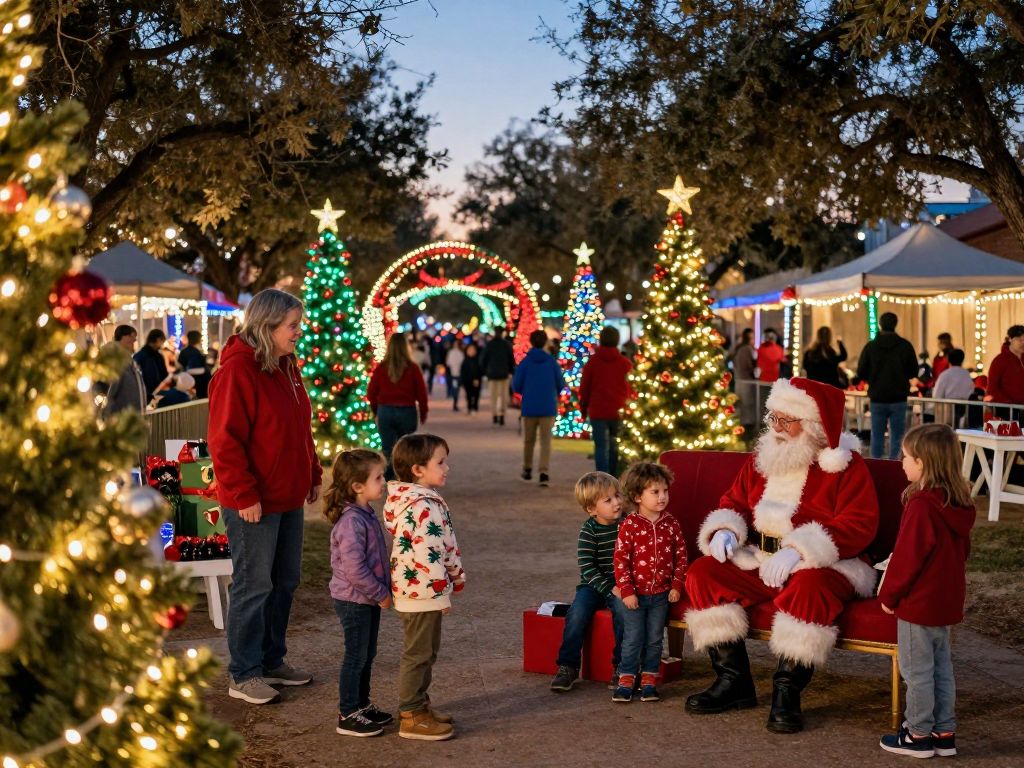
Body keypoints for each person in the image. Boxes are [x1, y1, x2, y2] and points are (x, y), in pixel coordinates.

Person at [684, 377, 879, 733]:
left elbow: (858, 524)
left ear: (814, 426)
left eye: (786, 420)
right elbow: (735, 501)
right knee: (703, 574)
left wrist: (797, 551)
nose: (775, 427)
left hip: (824, 563)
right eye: (773, 417)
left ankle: (787, 693)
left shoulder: (845, 467)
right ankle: (733, 681)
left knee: (811, 589)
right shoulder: (763, 458)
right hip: (759, 557)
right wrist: (726, 530)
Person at [208, 288, 322, 705]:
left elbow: (299, 428)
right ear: (267, 325)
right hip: (253, 501)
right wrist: (243, 493)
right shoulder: (238, 370)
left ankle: (272, 660)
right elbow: (225, 440)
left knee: (284, 582)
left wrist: (312, 472)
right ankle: (244, 672)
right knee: (254, 584)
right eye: (292, 325)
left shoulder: (287, 366)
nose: (298, 332)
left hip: (287, 496)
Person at [878, 424, 974, 758]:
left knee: (917, 671)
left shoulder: (921, 505)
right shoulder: (957, 503)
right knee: (941, 669)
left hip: (918, 604)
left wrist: (889, 596)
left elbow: (907, 559)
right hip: (945, 601)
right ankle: (944, 732)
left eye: (906, 456)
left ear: (922, 463)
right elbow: (963, 553)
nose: (901, 462)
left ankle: (918, 734)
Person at [383, 434, 465, 741]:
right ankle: (411, 715)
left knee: (427, 652)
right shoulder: (422, 507)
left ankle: (420, 705)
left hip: (421, 590)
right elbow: (428, 553)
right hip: (422, 592)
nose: (447, 468)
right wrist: (443, 589)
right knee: (418, 654)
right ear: (417, 470)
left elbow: (445, 545)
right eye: (440, 462)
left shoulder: (422, 500)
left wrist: (455, 575)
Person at [325, 448, 394, 738]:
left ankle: (362, 705)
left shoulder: (365, 513)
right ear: (357, 486)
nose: (384, 482)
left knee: (367, 653)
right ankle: (348, 712)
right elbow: (355, 570)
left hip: (366, 598)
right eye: (378, 478)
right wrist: (381, 593)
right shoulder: (351, 522)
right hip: (354, 600)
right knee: (356, 655)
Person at [612, 462, 686, 703]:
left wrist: (676, 585)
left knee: (655, 639)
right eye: (655, 492)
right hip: (635, 595)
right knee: (633, 638)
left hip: (661, 595)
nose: (662, 497)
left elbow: (681, 556)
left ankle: (649, 680)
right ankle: (626, 678)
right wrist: (626, 591)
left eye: (665, 491)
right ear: (637, 496)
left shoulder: (671, 524)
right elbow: (620, 560)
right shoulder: (629, 526)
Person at [550, 471, 626, 693]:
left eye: (617, 496)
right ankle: (568, 666)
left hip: (622, 583)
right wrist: (609, 588)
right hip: (593, 585)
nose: (617, 503)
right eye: (608, 500)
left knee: (624, 612)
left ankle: (623, 666)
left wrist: (623, 586)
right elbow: (587, 567)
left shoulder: (628, 524)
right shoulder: (589, 530)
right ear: (592, 509)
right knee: (577, 613)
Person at [366, 333, 429, 480]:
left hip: (386, 411)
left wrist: (376, 410)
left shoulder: (382, 368)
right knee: (407, 449)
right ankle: (405, 478)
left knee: (387, 449)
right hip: (407, 411)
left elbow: (371, 392)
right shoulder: (413, 368)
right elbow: (421, 393)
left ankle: (388, 480)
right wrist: (423, 412)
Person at [856, 312, 918, 459]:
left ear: (880, 324)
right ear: (895, 324)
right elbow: (913, 371)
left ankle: (876, 466)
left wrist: (873, 376)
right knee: (898, 437)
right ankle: (895, 465)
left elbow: (861, 372)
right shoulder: (905, 346)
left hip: (877, 397)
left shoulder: (871, 347)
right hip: (899, 397)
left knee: (876, 436)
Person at [512, 329, 566, 487]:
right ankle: (543, 472)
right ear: (545, 342)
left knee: (529, 440)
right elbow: (560, 383)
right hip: (548, 406)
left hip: (529, 406)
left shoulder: (525, 362)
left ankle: (527, 468)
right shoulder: (552, 362)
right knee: (545, 441)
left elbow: (516, 385)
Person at [579, 326, 633, 476]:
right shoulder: (625, 363)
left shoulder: (592, 362)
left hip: (597, 410)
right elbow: (631, 387)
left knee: (600, 446)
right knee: (615, 446)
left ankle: (602, 477)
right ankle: (614, 475)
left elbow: (585, 388)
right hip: (618, 409)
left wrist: (583, 408)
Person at [100, 324, 146, 419]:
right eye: (131, 336)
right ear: (123, 337)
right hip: (121, 419)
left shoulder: (129, 361)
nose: (134, 340)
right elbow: (109, 391)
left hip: (131, 418)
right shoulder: (116, 361)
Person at [481, 326, 516, 426]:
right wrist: (511, 371)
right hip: (504, 374)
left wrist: (485, 371)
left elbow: (483, 359)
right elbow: (511, 359)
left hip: (492, 374)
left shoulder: (490, 344)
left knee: (493, 396)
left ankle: (495, 414)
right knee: (503, 396)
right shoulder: (506, 344)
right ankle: (502, 414)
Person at [932, 349, 974, 426]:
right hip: (964, 410)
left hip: (947, 412)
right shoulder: (966, 374)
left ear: (948, 360)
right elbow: (971, 392)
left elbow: (937, 395)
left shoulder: (944, 375)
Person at [985, 324, 1024, 407]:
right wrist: (1008, 404)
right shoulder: (999, 361)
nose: (1023, 343)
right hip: (1008, 409)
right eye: (1019, 339)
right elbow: (992, 388)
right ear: (1010, 339)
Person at [728, 328, 758, 435]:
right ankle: (747, 426)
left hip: (738, 380)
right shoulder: (747, 349)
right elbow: (748, 365)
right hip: (746, 380)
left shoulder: (738, 348)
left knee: (741, 403)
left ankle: (741, 425)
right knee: (748, 403)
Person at [133, 328, 170, 401]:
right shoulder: (154, 356)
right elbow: (164, 375)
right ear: (158, 339)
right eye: (162, 341)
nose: (162, 345)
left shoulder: (140, 355)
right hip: (152, 393)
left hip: (146, 392)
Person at [178, 330, 211, 399]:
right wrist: (206, 370)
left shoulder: (183, 352)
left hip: (187, 384)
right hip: (200, 384)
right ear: (198, 339)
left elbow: (180, 366)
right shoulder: (196, 352)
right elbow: (192, 369)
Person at [460, 343, 483, 414]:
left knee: (476, 394)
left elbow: (480, 370)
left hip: (476, 380)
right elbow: (462, 372)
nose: (471, 351)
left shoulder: (478, 360)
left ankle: (475, 407)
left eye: (473, 350)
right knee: (468, 394)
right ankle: (469, 407)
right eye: (470, 350)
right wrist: (462, 381)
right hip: (467, 380)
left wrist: (478, 378)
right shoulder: (465, 361)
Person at [446, 341, 465, 412]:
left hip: (455, 375)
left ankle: (455, 403)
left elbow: (448, 363)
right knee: (456, 389)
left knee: (456, 388)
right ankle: (455, 404)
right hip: (456, 375)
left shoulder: (453, 352)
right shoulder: (459, 353)